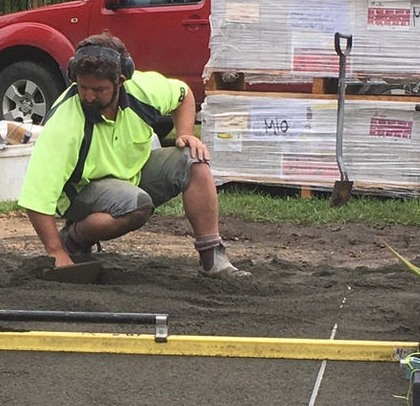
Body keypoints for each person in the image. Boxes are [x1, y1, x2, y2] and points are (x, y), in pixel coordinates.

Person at [17, 33, 250, 279]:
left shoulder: (143, 91)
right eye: (82, 87)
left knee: (194, 160)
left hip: (133, 175)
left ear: (121, 80)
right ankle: (73, 240)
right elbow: (36, 199)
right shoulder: (64, 125)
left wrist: (185, 134)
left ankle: (213, 257)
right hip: (82, 194)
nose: (88, 96)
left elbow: (184, 95)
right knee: (135, 204)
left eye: (98, 89)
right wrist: (57, 253)